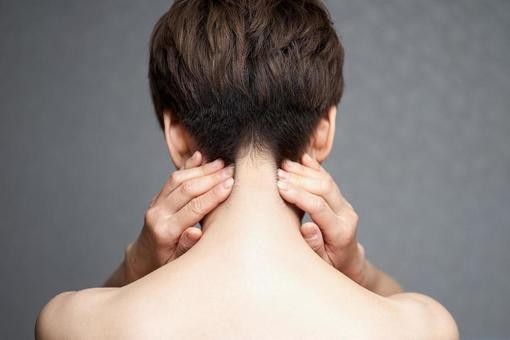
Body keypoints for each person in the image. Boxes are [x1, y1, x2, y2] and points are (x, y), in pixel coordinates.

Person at [35, 0, 459, 339]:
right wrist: (361, 275)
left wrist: (134, 268)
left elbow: (97, 311)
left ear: (176, 135)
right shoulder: (420, 328)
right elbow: (405, 312)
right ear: (323, 131)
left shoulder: (74, 324)